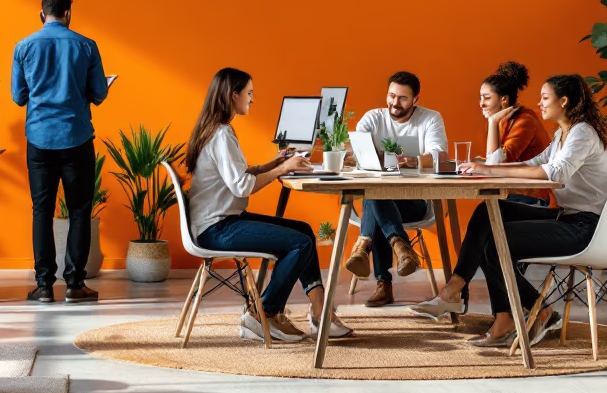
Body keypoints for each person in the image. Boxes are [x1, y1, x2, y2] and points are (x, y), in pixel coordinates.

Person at [411, 75, 607, 348]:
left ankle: (539, 312)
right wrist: (481, 166)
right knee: (488, 213)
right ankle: (461, 293)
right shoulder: (561, 135)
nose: (539, 103)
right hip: (568, 216)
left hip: (586, 227)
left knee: (496, 238)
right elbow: (534, 162)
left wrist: (490, 169)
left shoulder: (582, 132)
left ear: (563, 101)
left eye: (545, 97)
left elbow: (553, 172)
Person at [186, 68, 352, 342]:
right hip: (218, 228)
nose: (252, 100)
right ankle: (263, 312)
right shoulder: (222, 135)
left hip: (220, 222)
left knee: (304, 231)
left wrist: (269, 165)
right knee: (300, 244)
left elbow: (233, 173)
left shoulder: (213, 130)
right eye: (249, 94)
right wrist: (282, 168)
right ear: (233, 95)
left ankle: (320, 311)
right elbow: (241, 185)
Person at [12, 0, 109, 304]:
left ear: (42, 13)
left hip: (39, 139)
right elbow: (99, 94)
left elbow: (18, 96)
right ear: (68, 13)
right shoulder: (86, 45)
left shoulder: (24, 46)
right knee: (79, 211)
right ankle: (74, 284)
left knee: (41, 211)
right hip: (76, 137)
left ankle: (43, 286)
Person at [343, 71, 447, 307]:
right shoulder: (373, 118)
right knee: (378, 197)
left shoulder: (430, 119)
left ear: (415, 100)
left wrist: (415, 160)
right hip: (380, 199)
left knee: (374, 199)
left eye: (402, 98)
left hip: (415, 202)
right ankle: (401, 247)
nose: (394, 103)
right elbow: (353, 151)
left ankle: (368, 256)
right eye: (391, 96)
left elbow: (440, 155)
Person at [479, 61, 552, 205]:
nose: (481, 103)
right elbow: (493, 162)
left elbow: (496, 165)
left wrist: (492, 122)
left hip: (530, 196)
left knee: (486, 212)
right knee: (484, 212)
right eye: (480, 97)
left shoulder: (525, 120)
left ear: (504, 99)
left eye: (486, 98)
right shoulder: (502, 120)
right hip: (511, 192)